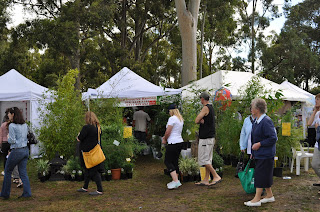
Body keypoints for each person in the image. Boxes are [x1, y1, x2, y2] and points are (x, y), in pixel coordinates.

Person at [244, 98, 277, 207]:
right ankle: (269, 195)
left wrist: (260, 144)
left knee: (260, 175)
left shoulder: (266, 121)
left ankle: (257, 199)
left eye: (252, 107)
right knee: (264, 175)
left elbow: (273, 138)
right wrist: (253, 150)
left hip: (265, 154)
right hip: (260, 154)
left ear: (257, 109)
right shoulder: (256, 121)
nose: (251, 109)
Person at [0, 107, 32, 199]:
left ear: (13, 114)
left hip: (17, 150)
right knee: (23, 172)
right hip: (25, 150)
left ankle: (5, 194)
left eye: (9, 114)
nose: (8, 116)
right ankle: (27, 193)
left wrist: (8, 137)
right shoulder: (24, 125)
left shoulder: (12, 126)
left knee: (7, 171)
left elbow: (12, 141)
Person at [195, 92, 222, 186]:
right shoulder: (211, 107)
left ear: (202, 99)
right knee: (208, 159)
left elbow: (196, 120)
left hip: (205, 138)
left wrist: (201, 120)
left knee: (203, 159)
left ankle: (216, 176)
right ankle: (206, 179)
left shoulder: (205, 107)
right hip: (210, 137)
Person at [77, 111, 103, 196]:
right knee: (88, 169)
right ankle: (85, 187)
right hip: (95, 151)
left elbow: (79, 138)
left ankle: (99, 189)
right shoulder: (97, 127)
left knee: (92, 171)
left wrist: (78, 136)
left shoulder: (86, 127)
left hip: (88, 153)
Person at [162, 104, 184, 190]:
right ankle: (176, 180)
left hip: (173, 142)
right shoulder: (180, 119)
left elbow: (168, 132)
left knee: (167, 161)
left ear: (170, 111)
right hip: (179, 141)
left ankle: (175, 181)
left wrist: (165, 139)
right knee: (175, 161)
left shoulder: (172, 119)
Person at [307, 93, 320, 197]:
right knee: (315, 165)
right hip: (318, 144)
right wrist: (315, 110)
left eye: (317, 100)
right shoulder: (317, 113)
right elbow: (309, 123)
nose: (316, 102)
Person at [0, 110, 10, 176]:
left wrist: (0, 144)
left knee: (5, 157)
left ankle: (5, 170)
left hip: (4, 142)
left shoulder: (2, 125)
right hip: (10, 142)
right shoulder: (11, 125)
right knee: (10, 157)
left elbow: (0, 135)